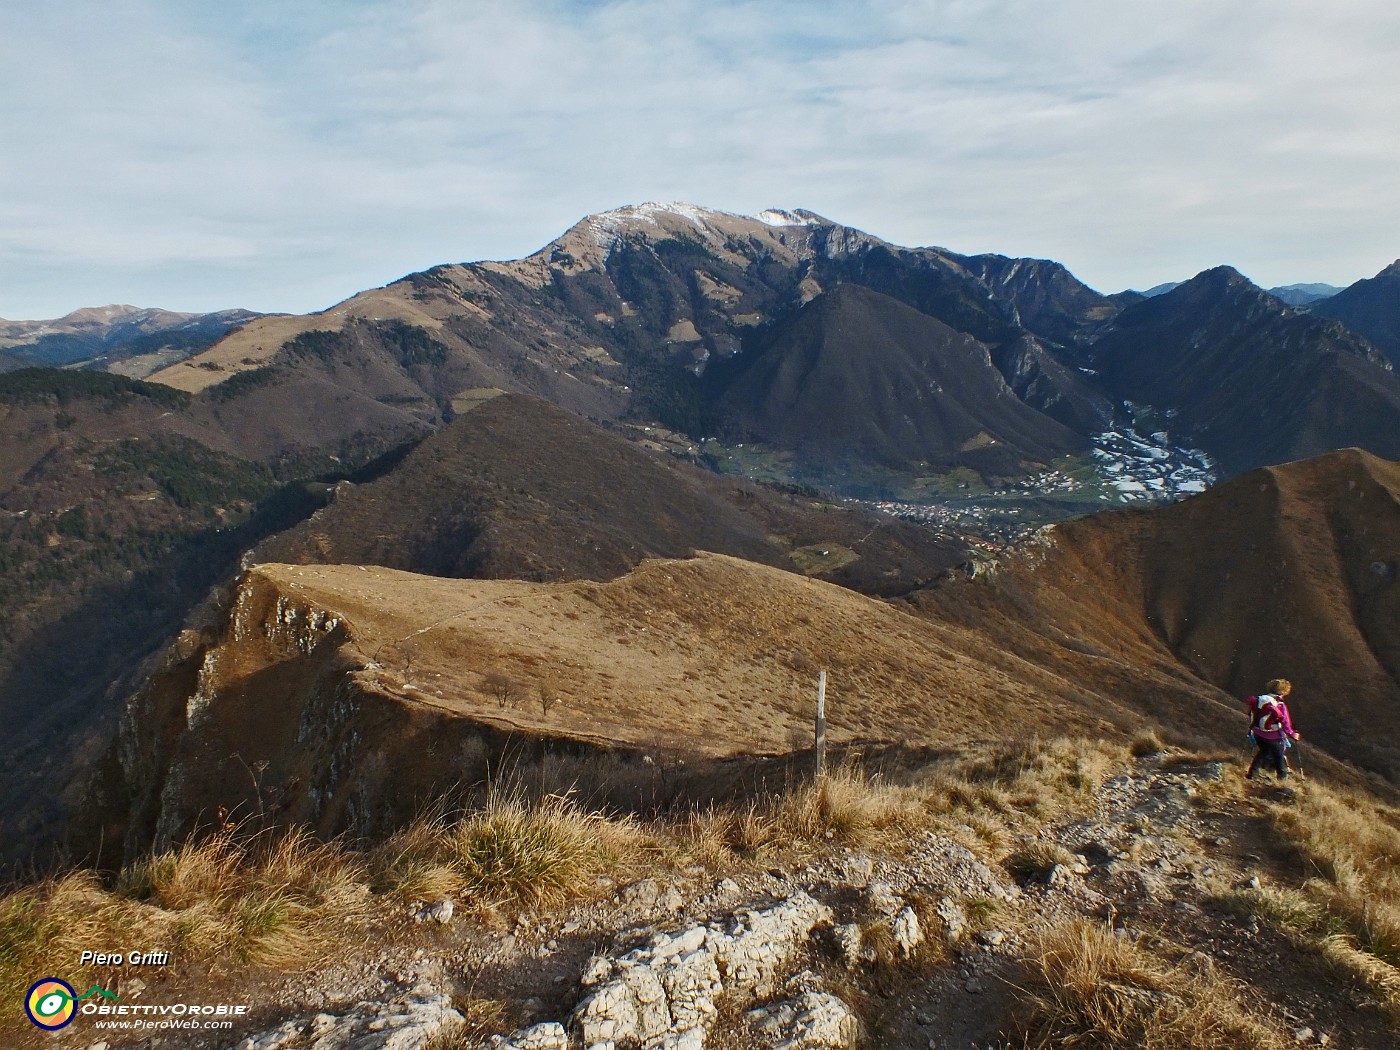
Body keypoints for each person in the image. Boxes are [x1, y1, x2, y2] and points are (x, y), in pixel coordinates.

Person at [1245, 678, 1300, 780]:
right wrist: (1293, 735)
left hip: (1258, 733)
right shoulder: (1280, 705)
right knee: (1279, 757)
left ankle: (1252, 774)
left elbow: (1252, 714)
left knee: (1263, 752)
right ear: (1284, 691)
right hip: (1273, 737)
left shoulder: (1259, 700)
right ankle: (1282, 779)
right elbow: (1286, 725)